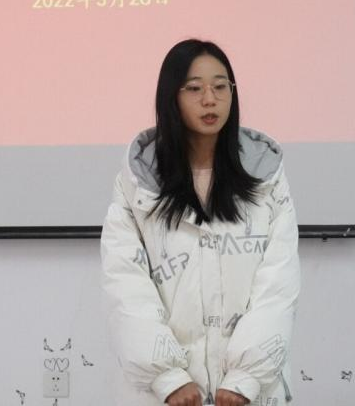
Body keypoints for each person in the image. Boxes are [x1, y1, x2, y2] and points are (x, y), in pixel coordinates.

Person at [101, 39, 300, 406]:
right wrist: (168, 378)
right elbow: (126, 284)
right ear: (171, 97)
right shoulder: (137, 183)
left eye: (221, 86)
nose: (210, 99)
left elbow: (278, 284)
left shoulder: (265, 178)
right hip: (165, 395)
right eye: (194, 88)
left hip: (251, 393)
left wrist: (245, 379)